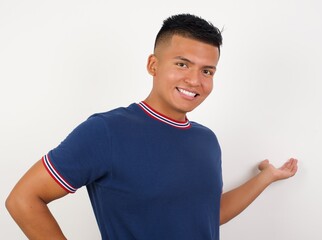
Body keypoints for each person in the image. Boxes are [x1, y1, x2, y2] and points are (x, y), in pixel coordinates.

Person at [5, 13, 298, 239]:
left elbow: (209, 214)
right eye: (182, 64)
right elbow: (23, 199)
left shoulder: (207, 140)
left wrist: (266, 177)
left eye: (206, 70)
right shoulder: (106, 132)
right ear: (153, 66)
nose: (195, 80)